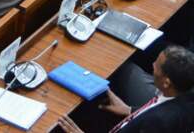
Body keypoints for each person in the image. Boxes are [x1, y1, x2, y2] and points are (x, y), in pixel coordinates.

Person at [57, 45, 194, 133]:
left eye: (156, 66)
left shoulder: (160, 122)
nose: (152, 65)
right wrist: (129, 110)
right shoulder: (185, 95)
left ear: (166, 83)